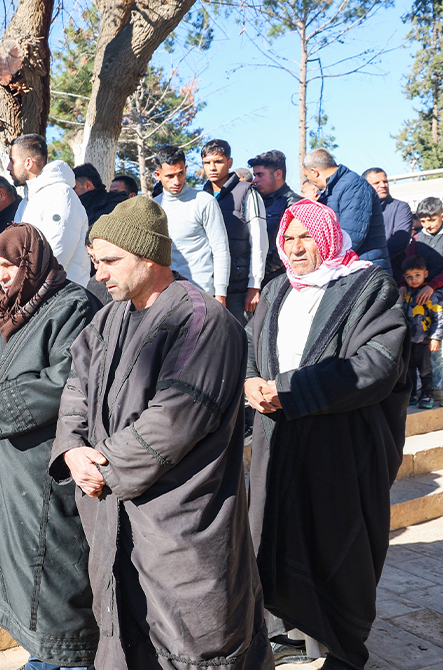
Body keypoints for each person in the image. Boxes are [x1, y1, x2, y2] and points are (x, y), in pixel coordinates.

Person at [51, 196, 270, 670]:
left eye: (110, 261)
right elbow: (76, 388)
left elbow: (175, 417)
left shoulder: (201, 320)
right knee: (126, 638)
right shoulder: (107, 318)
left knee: (194, 645)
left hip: (182, 523)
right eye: (95, 262)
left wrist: (101, 465)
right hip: (113, 515)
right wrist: (71, 451)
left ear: (149, 258)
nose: (99, 274)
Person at [246, 199, 408, 670]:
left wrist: (291, 389)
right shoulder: (277, 290)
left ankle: (341, 644)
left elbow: (377, 365)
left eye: (306, 237)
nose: (296, 248)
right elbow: (255, 347)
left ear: (330, 237)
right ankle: (291, 635)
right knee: (274, 535)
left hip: (341, 446)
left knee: (339, 540)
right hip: (279, 441)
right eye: (289, 239)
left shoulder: (368, 286)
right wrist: (252, 380)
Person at [0, 223, 100, 670]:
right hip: (8, 467)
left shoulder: (71, 306)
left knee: (53, 570)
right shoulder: (7, 311)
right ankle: (44, 654)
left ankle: (64, 657)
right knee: (22, 573)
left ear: (30, 263)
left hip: (44, 466)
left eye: (7, 265)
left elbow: (71, 381)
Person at [8, 134, 91, 285]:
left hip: (64, 296)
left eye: (12, 161)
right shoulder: (25, 201)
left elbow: (56, 252)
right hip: (36, 294)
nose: (8, 167)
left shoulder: (61, 194)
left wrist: (25, 285)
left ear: (28, 163)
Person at [407, 197, 443, 407]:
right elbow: (409, 265)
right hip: (423, 302)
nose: (428, 225)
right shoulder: (417, 239)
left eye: (431, 220)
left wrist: (432, 285)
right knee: (431, 348)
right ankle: (433, 391)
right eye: (423, 221)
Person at [152, 144, 231, 303]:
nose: (177, 181)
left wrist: (221, 294)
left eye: (181, 173)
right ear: (157, 175)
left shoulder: (204, 202)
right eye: (170, 176)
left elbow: (221, 250)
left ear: (186, 169)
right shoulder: (153, 207)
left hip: (202, 295)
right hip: (165, 296)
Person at [201, 139, 268, 323]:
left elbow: (259, 239)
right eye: (207, 163)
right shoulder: (200, 197)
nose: (212, 167)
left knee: (242, 346)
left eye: (218, 162)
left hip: (240, 289)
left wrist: (254, 285)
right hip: (208, 288)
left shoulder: (247, 192)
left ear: (229, 163)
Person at [301, 149, 390, 272]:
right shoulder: (331, 191)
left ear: (315, 172)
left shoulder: (355, 185)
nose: (309, 180)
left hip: (366, 270)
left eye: (307, 176)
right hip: (348, 268)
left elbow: (351, 236)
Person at [248, 149, 302, 284]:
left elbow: (289, 247)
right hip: (254, 280)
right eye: (254, 175)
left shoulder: (294, 204)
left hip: (280, 281)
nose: (255, 180)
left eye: (260, 175)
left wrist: (260, 270)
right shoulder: (255, 201)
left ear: (278, 174)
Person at [400, 254, 443, 409]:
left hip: (424, 340)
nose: (413, 280)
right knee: (409, 369)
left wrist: (435, 338)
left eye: (417, 275)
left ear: (425, 274)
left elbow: (439, 318)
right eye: (409, 277)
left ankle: (427, 395)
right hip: (409, 341)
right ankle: (412, 393)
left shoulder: (430, 296)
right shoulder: (406, 294)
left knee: (426, 370)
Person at [363, 167, 414, 275]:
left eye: (385, 181)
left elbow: (401, 240)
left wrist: (373, 258)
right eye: (377, 182)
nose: (383, 185)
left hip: (393, 274)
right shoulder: (359, 210)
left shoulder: (401, 207)